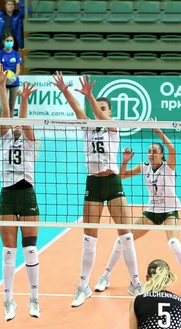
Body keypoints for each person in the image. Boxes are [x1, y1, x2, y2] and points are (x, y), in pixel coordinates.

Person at [51, 72, 141, 307]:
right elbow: (76, 110)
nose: (99, 112)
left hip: (112, 183)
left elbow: (98, 114)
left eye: (103, 108)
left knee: (126, 235)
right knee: (89, 238)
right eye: (97, 108)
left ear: (109, 112)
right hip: (93, 183)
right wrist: (65, 91)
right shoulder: (88, 127)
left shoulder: (113, 127)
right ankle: (83, 286)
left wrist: (90, 96)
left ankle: (135, 283)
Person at [95, 127, 181, 299]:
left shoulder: (168, 166)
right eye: (149, 152)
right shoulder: (144, 167)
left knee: (173, 242)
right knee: (122, 239)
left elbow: (172, 148)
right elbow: (121, 175)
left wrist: (158, 131)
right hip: (151, 211)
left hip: (169, 211)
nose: (151, 154)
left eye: (154, 152)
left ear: (161, 155)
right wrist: (125, 161)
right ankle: (105, 276)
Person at [0, 65, 41, 320]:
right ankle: (8, 300)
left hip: (27, 195)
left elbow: (22, 120)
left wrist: (23, 101)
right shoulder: (4, 138)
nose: (17, 126)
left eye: (20, 124)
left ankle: (34, 298)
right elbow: (5, 116)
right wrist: (2, 86)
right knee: (8, 252)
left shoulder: (31, 142)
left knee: (30, 250)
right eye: (14, 124)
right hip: (7, 197)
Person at [0, 33, 22, 119]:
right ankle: (0, 129)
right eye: (7, 40)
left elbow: (18, 69)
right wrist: (4, 77)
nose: (9, 42)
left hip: (14, 82)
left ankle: (10, 128)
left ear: (13, 42)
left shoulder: (16, 54)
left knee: (11, 105)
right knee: (3, 106)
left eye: (11, 41)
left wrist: (14, 77)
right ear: (3, 42)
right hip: (3, 81)